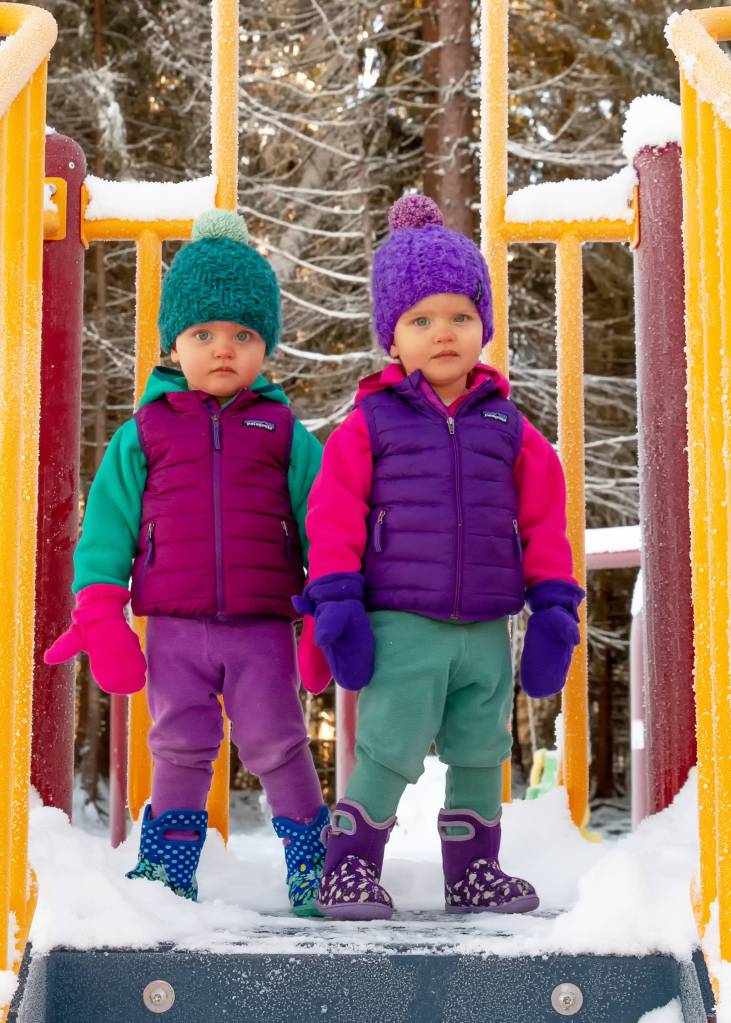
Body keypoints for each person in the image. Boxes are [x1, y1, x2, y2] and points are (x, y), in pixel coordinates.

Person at [296, 194, 584, 920]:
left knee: (481, 751)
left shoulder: (508, 425)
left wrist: (553, 602)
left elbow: (544, 518)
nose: (443, 332)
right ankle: (350, 867)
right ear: (391, 338)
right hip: (403, 623)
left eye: (460, 315)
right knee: (388, 747)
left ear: (482, 326)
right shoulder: (369, 423)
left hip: (486, 624)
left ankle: (474, 870)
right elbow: (333, 514)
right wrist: (334, 599)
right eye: (420, 319)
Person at [46, 210, 328, 914]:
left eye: (243, 334)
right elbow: (106, 528)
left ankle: (310, 859)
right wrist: (100, 606)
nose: (223, 349)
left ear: (266, 344)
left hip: (263, 626)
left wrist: (329, 602)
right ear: (176, 342)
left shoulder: (283, 433)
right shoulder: (144, 432)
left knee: (277, 739)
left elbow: (324, 521)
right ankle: (169, 864)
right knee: (177, 742)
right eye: (203, 334)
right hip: (174, 626)